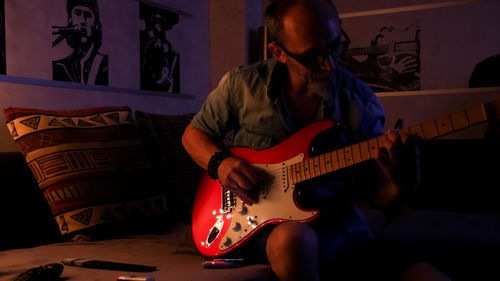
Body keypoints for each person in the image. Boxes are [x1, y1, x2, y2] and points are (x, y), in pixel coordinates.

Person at [182, 0, 451, 280]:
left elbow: (379, 194)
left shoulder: (360, 102)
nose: (330, 65)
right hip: (263, 226)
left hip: (340, 231)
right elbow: (193, 135)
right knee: (295, 238)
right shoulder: (243, 85)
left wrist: (402, 178)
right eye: (312, 56)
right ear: (279, 52)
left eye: (335, 46)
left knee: (426, 275)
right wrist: (222, 164)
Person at [52, 0, 108, 85]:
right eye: (77, 13)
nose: (82, 21)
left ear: (96, 24)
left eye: (88, 15)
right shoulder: (59, 67)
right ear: (70, 20)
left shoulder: (105, 66)